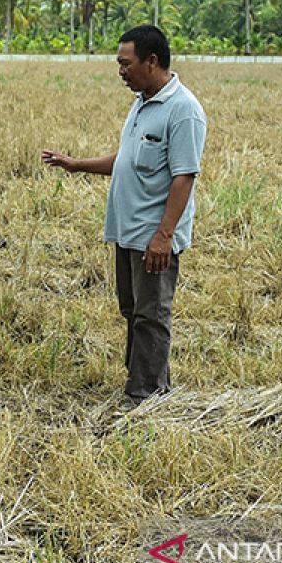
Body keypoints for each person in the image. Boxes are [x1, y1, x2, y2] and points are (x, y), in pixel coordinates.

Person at [42, 25, 206, 408]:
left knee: (151, 315)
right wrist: (76, 164)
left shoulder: (183, 111)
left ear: (151, 61)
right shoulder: (143, 102)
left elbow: (185, 176)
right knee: (133, 311)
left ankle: (144, 397)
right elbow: (127, 159)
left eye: (124, 63)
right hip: (128, 232)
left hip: (153, 236)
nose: (120, 71)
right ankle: (147, 382)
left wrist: (164, 236)